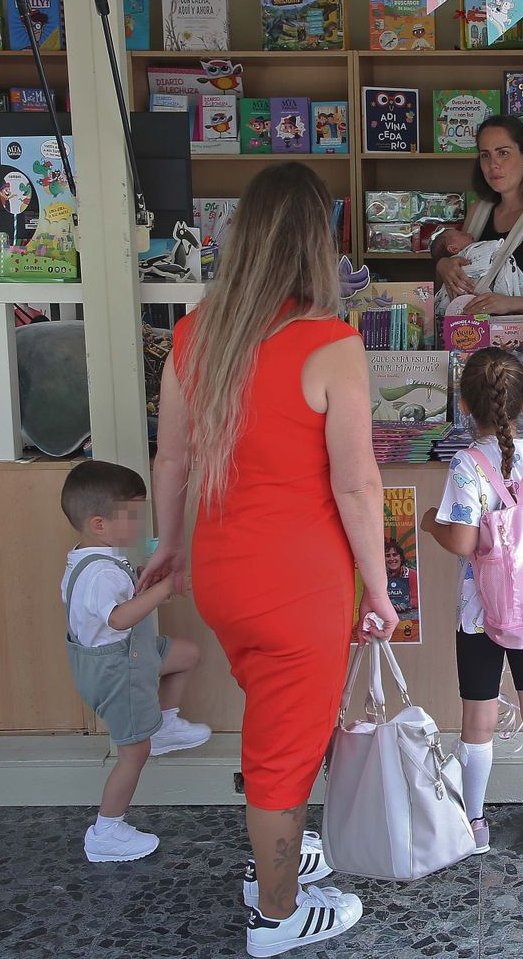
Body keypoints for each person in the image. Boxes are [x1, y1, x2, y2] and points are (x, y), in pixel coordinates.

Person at [140, 162, 396, 957]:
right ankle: (276, 916)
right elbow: (356, 487)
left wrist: (169, 547)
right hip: (300, 586)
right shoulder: (332, 343)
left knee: (276, 726)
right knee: (284, 755)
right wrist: (381, 592)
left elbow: (172, 462)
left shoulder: (195, 333)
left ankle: (275, 855)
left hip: (224, 577)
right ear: (317, 243)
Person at [421, 348, 523, 855]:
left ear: (464, 405)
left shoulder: (467, 464)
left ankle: (475, 822)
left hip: (480, 611)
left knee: (478, 717)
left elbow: (464, 543)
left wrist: (429, 523)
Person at [58, 459, 211, 864]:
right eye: (134, 517)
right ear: (99, 524)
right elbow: (118, 617)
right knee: (133, 753)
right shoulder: (99, 574)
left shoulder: (95, 558)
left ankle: (163, 725)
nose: (142, 525)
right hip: (117, 672)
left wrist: (144, 575)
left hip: (133, 656)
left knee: (186, 654)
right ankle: (107, 829)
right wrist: (164, 589)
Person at [430, 115, 523, 317]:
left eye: (503, 153)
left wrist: (512, 304)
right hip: (473, 341)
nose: (493, 164)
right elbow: (462, 273)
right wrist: (443, 265)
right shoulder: (479, 211)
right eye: (485, 155)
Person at [384, 538, 419, 622]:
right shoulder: (379, 577)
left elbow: (418, 599)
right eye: (388, 556)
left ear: (401, 558)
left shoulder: (412, 575)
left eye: (394, 555)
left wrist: (404, 604)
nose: (392, 558)